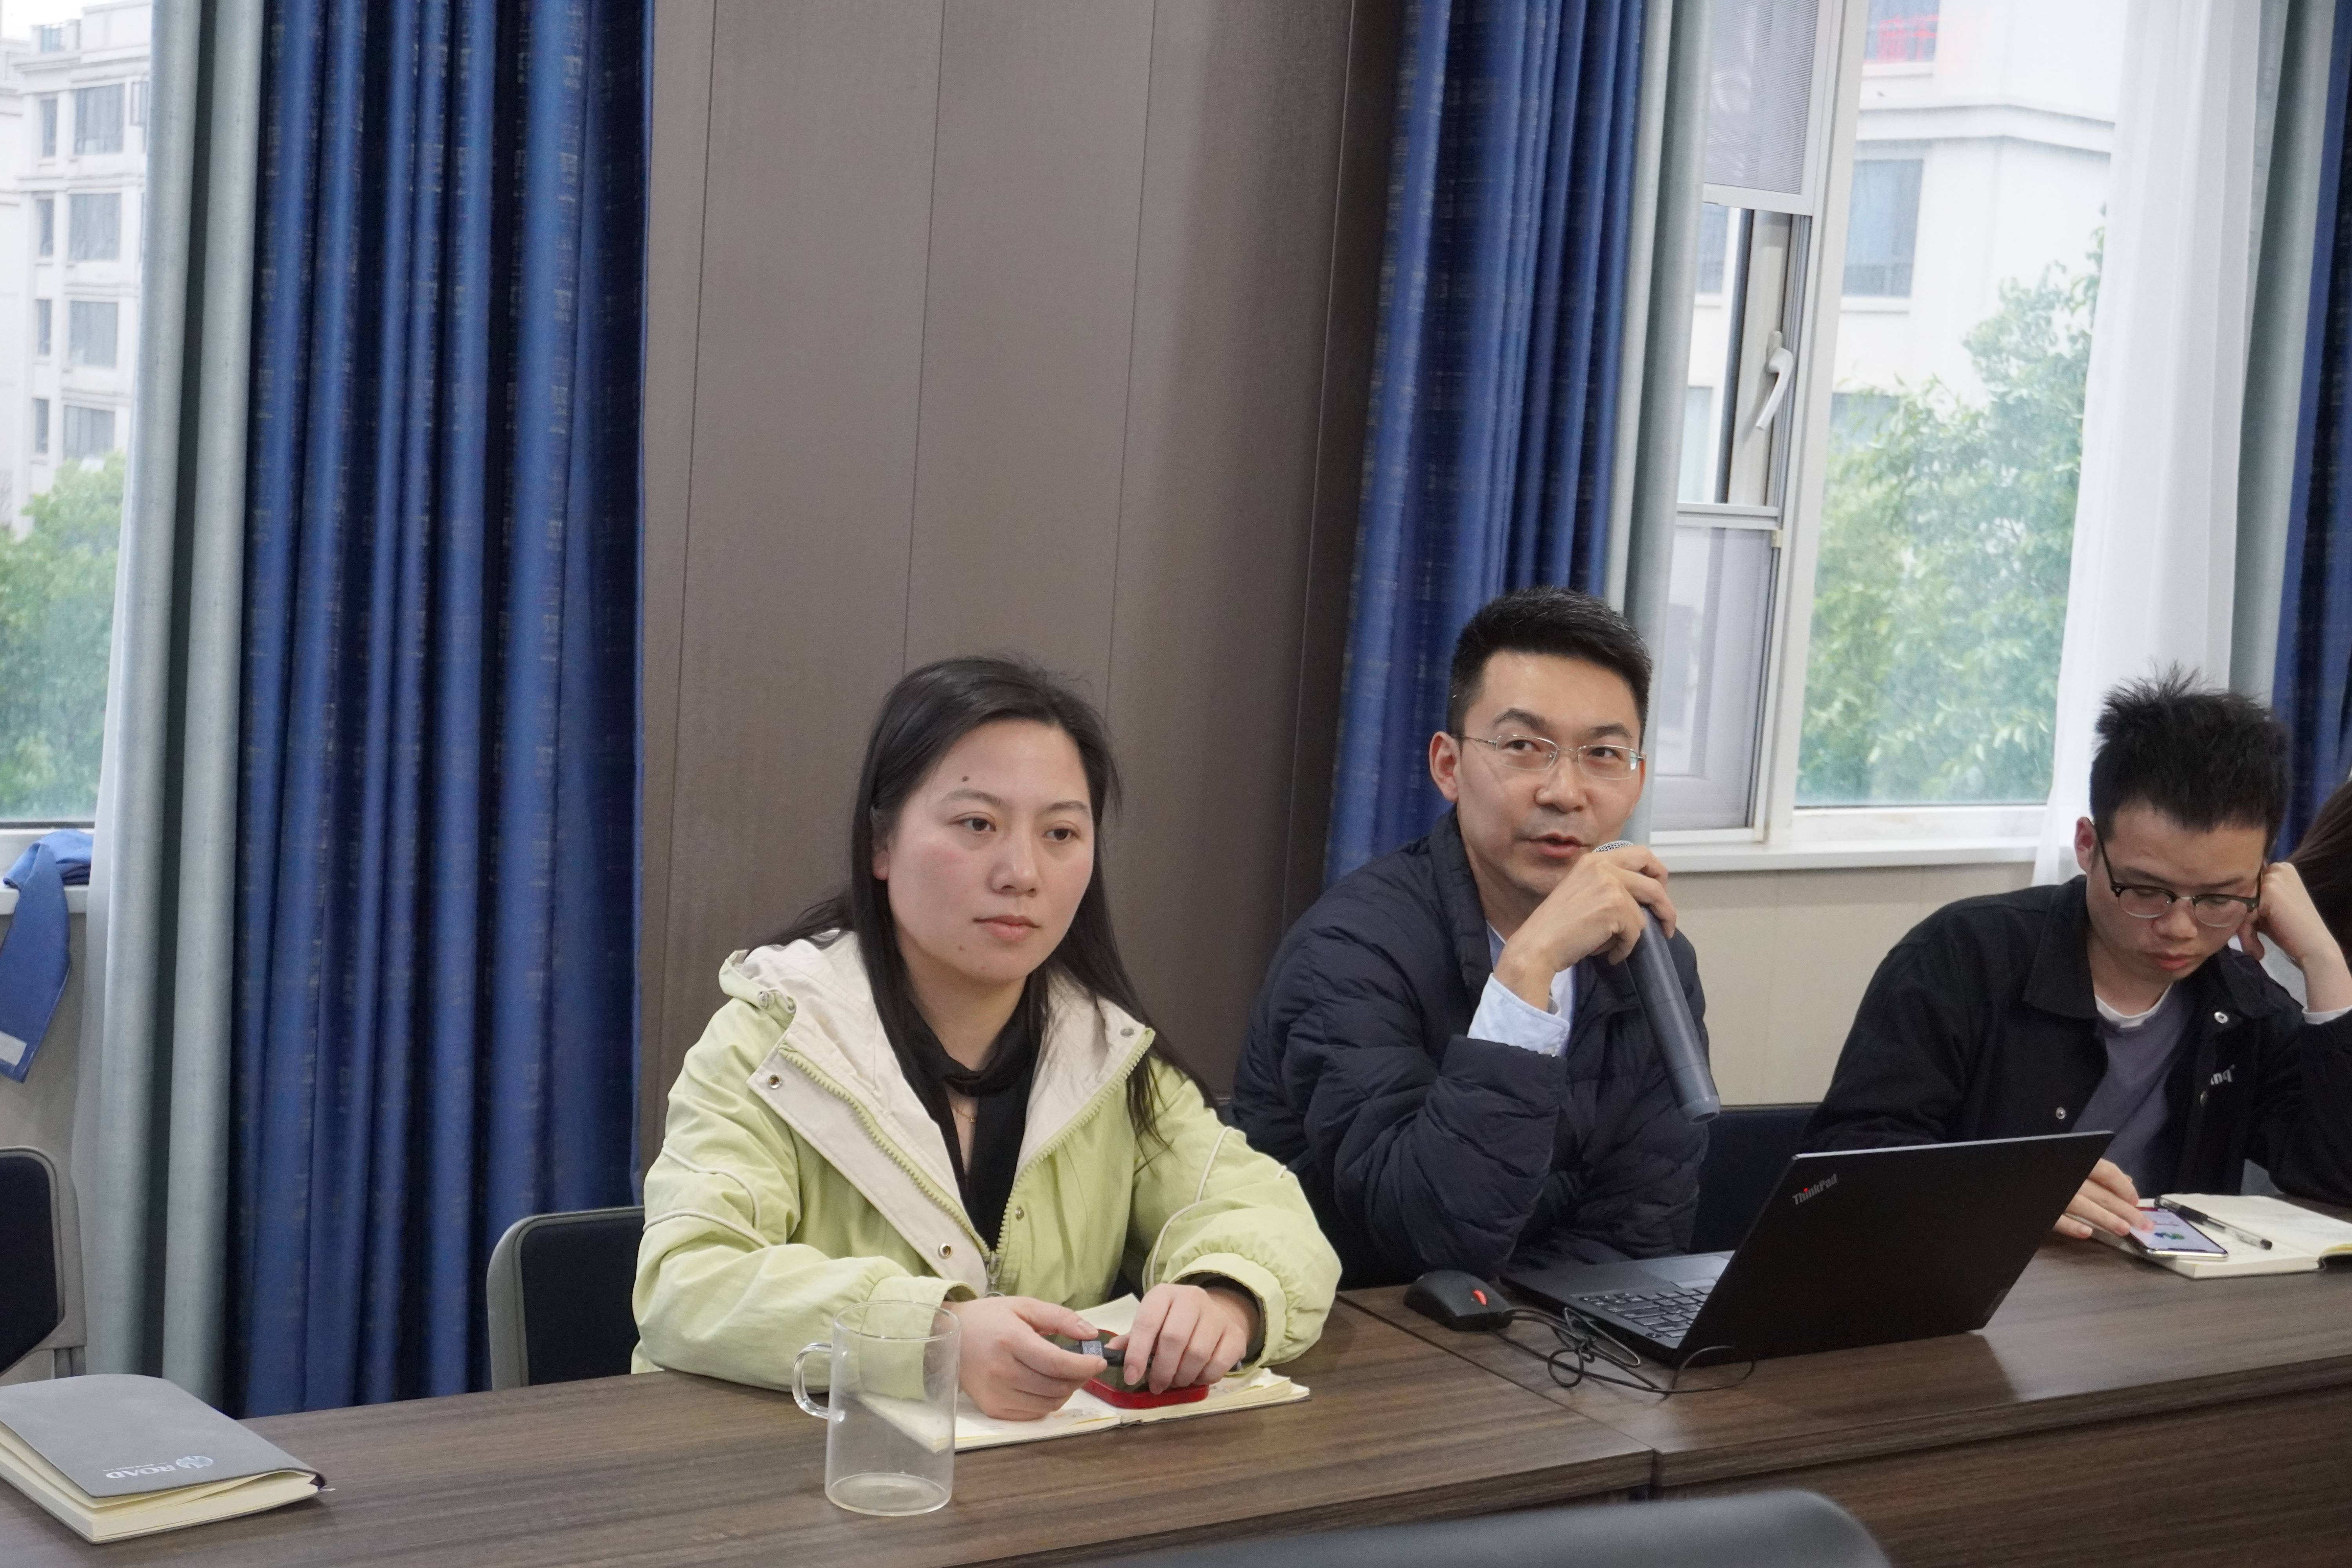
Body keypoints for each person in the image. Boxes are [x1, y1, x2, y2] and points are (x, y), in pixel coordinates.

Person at [634, 658, 1339, 1417]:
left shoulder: (1106, 1052)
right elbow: (688, 1283)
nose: (1022, 872)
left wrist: (1227, 1294)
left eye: (1061, 832)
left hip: (1036, 1472)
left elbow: (1265, 1214)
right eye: (977, 824)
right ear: (880, 844)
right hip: (799, 1466)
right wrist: (932, 1334)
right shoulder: (774, 1039)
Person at [1231, 586, 1708, 1286]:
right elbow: (1428, 1239)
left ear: (1637, 782)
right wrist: (1527, 972)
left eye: (1605, 754)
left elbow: (1645, 1234)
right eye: (1524, 747)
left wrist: (1547, 1337)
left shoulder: (1653, 957)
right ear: (1448, 767)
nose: (1565, 791)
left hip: (1561, 1335)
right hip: (1366, 1333)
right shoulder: (1346, 953)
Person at [1806, 672, 2352, 1238]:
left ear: (2262, 878)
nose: (2179, 928)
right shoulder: (1964, 956)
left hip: (2156, 1291)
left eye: (2218, 898)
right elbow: (1833, 1172)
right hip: (1971, 1280)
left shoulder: (2243, 1005)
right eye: (2146, 891)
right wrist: (2006, 1186)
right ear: (2088, 847)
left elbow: (2337, 1179)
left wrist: (2324, 962)